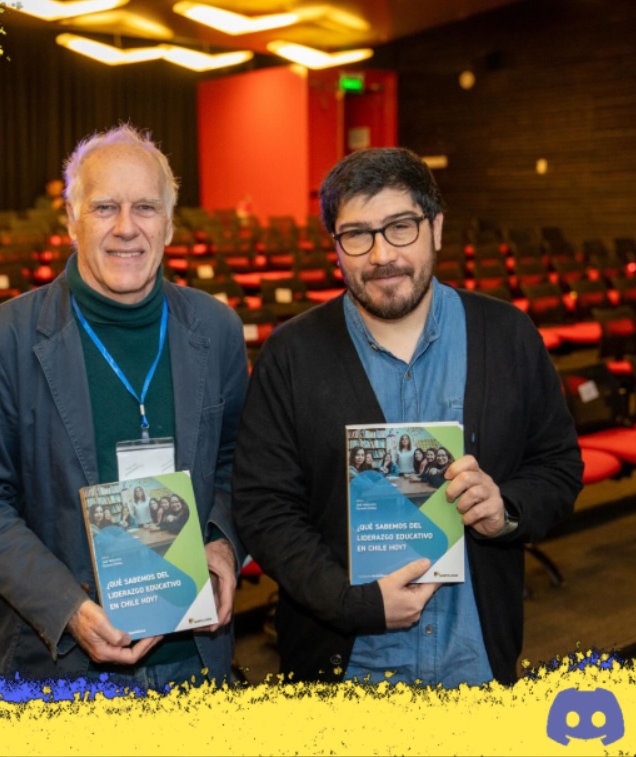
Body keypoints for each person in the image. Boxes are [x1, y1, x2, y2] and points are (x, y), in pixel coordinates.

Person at [232, 147, 583, 688]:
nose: (381, 255)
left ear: (435, 228)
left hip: (476, 668)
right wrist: (351, 601)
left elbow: (557, 465)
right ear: (335, 246)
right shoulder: (290, 355)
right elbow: (263, 506)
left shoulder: (508, 336)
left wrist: (505, 510)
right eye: (357, 234)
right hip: (342, 679)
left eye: (400, 227)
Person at [0, 124, 249, 690]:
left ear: (169, 223)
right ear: (72, 219)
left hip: (195, 662)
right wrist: (67, 608)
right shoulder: (2, 341)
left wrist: (222, 541)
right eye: (105, 207)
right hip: (60, 669)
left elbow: (237, 465)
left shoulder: (217, 329)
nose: (126, 227)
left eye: (145, 208)